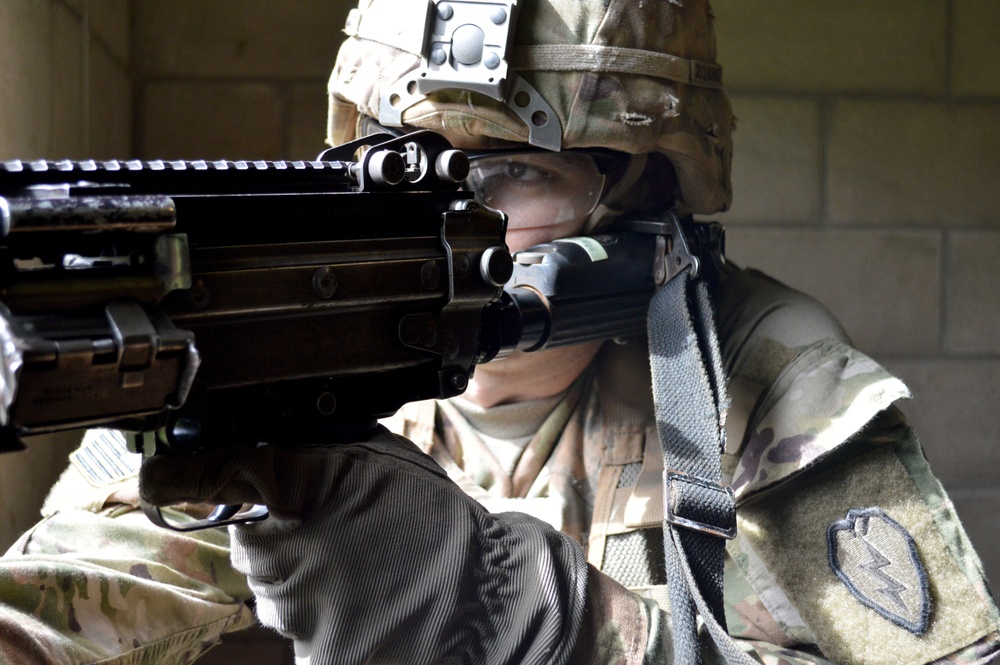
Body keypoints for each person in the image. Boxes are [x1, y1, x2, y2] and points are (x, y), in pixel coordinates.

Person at [1, 0, 998, 663]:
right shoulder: (270, 337)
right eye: (408, 166)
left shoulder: (765, 370)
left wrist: (550, 625)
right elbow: (60, 605)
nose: (449, 220)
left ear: (649, 193)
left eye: (516, 171)